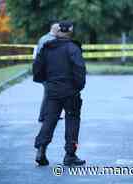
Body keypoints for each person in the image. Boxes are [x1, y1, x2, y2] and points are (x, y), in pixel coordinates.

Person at [32, 21, 86, 166]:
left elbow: (37, 69)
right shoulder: (73, 48)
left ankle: (41, 150)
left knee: (49, 120)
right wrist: (78, 87)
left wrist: (46, 82)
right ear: (70, 31)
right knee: (73, 121)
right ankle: (70, 155)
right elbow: (80, 70)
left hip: (52, 91)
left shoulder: (47, 48)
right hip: (70, 92)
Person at [33, 22, 61, 123]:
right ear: (55, 30)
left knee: (52, 93)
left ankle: (51, 114)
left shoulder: (43, 38)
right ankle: (42, 116)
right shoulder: (50, 40)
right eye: (59, 30)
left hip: (44, 71)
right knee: (49, 93)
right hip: (47, 72)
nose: (61, 32)